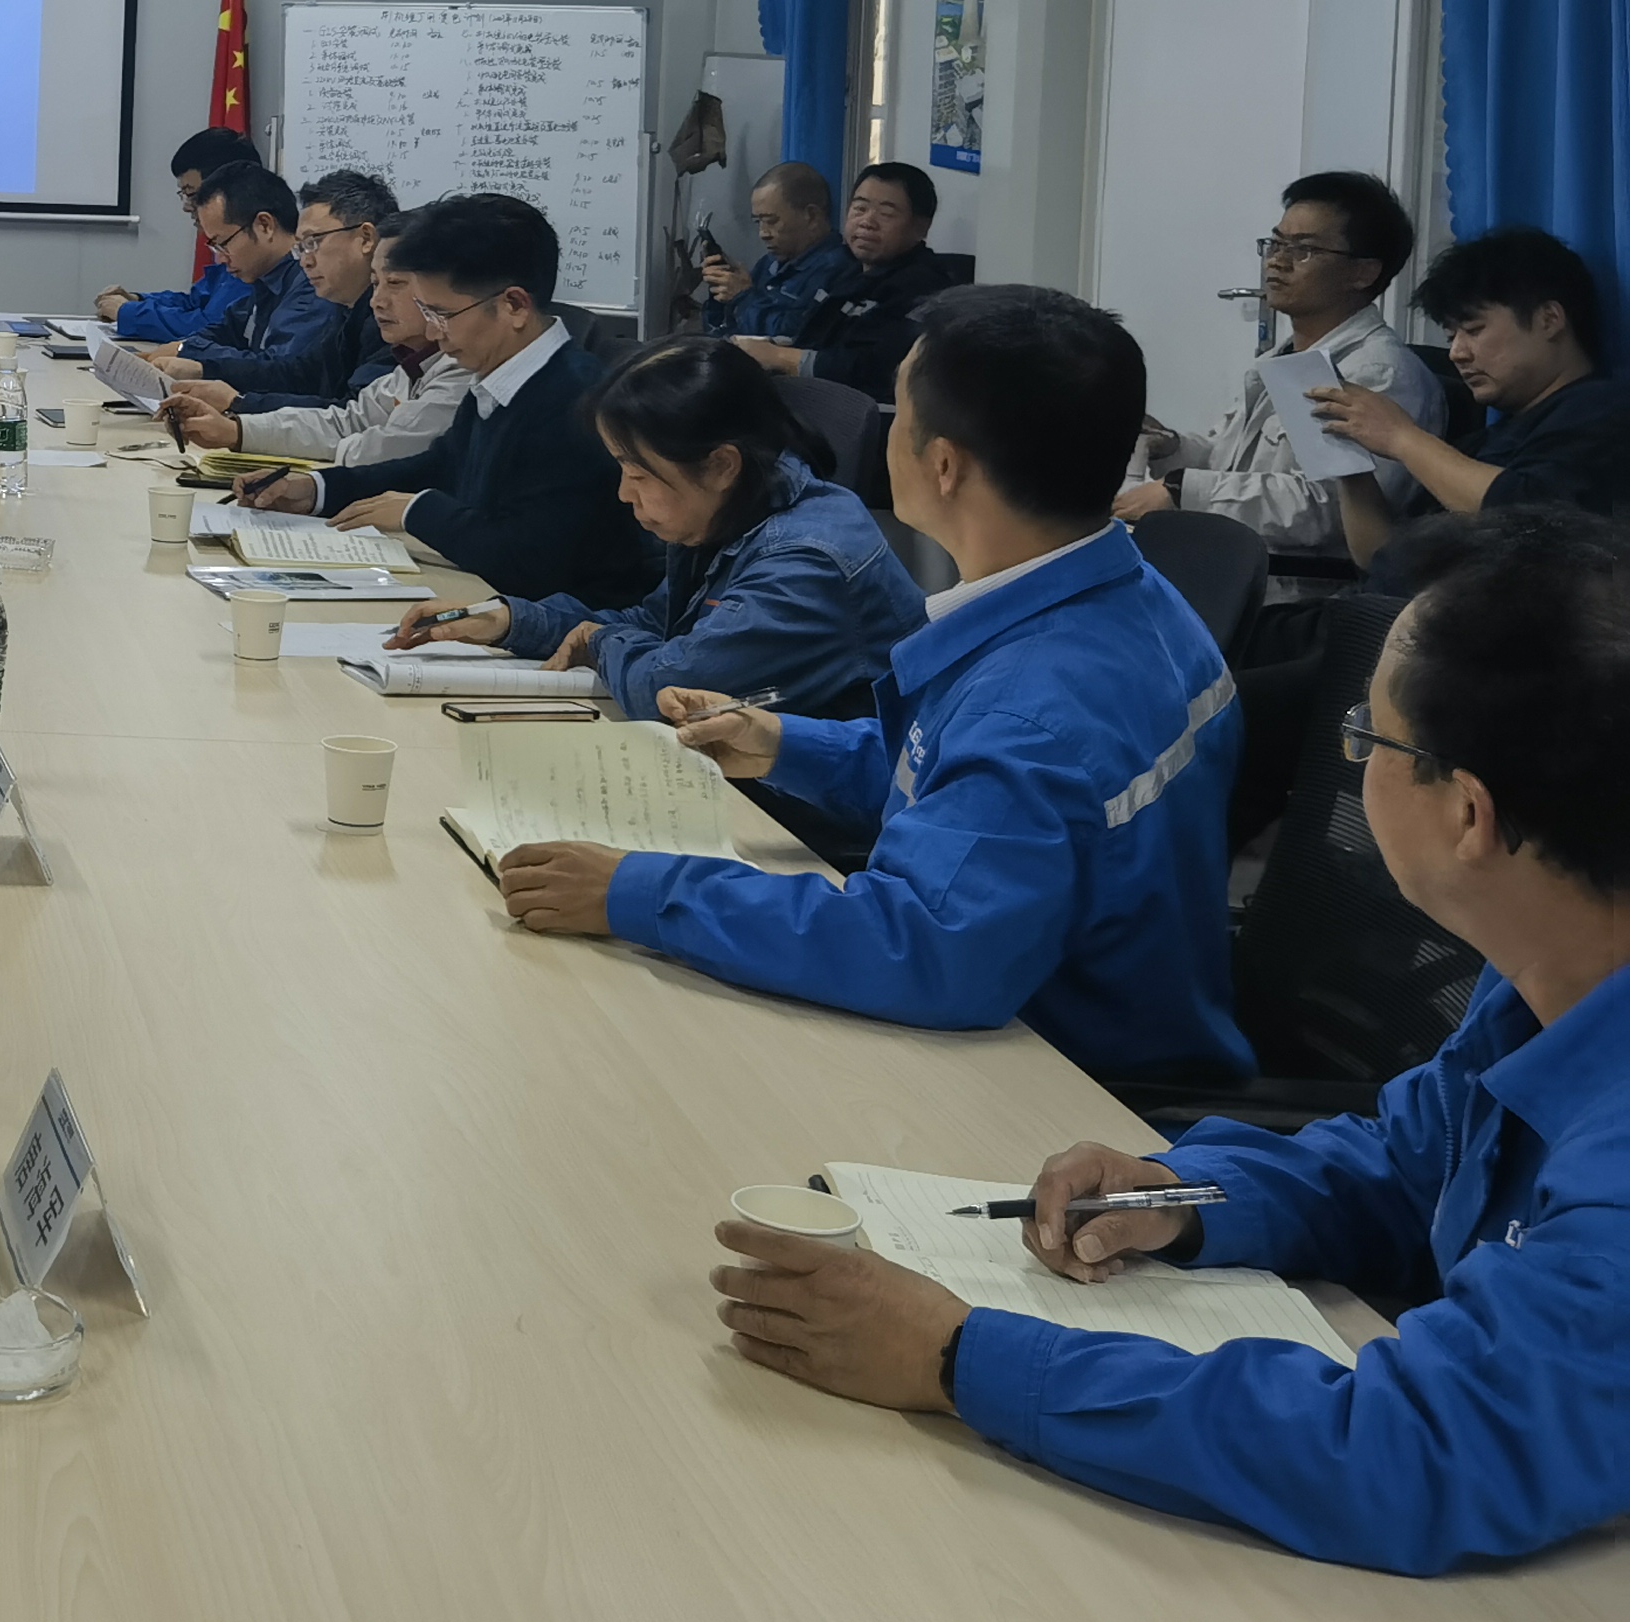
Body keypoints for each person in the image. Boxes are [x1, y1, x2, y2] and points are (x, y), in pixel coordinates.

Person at [703, 511, 1630, 1575]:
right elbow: (1408, 1166)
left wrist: (957, 1357)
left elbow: (1418, 1452)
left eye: (1368, 742)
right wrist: (1186, 1199)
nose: (1352, 762)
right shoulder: (1551, 970)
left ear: (1468, 815)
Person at [498, 286, 1250, 1082]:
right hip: (1085, 1008)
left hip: (1059, 1077)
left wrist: (640, 891)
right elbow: (971, 795)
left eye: (899, 414)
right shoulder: (1130, 597)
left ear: (943, 465)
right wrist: (788, 746)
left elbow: (923, 944)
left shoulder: (1034, 706)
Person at [390, 337, 920, 723]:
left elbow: (673, 686)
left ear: (721, 464)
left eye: (639, 473)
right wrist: (511, 620)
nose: (625, 493)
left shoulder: (807, 562)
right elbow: (657, 624)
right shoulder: (731, 508)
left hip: (806, 823)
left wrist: (599, 641)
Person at [246, 193, 658, 605]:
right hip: (489, 598)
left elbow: (526, 558)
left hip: (559, 622)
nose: (433, 332)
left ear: (514, 305)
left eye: (442, 315)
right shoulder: (499, 379)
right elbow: (439, 464)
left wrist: (417, 511)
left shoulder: (574, 403)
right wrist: (317, 489)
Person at [1117, 171, 1440, 554]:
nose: (1277, 261)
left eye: (1304, 249)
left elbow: (1329, 510)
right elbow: (1226, 461)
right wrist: (1169, 448)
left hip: (1302, 582)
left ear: (1363, 272)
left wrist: (1181, 489)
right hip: (1238, 566)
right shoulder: (1284, 358)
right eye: (1275, 243)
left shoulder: (1375, 373)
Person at [1315, 225, 1630, 557]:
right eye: (1451, 337)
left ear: (1549, 319)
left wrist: (1400, 437)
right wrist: (1350, 464)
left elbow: (1530, 519)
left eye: (1474, 330)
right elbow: (1381, 557)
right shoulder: (1480, 444)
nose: (1457, 353)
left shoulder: (1606, 411)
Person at [169, 211, 474, 464]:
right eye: (375, 283)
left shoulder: (459, 369)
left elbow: (386, 450)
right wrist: (236, 428)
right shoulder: (409, 359)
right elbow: (347, 419)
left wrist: (318, 489)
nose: (377, 300)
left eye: (394, 283)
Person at [172, 167, 394, 407]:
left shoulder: (390, 318)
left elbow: (355, 416)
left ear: (366, 238)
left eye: (313, 242)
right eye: (301, 247)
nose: (305, 261)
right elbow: (299, 375)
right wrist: (203, 370)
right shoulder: (348, 311)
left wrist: (237, 403)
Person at [738, 161, 955, 404]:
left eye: (885, 213)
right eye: (860, 208)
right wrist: (768, 348)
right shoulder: (850, 272)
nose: (867, 222)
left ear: (921, 227)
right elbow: (812, 337)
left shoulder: (924, 287)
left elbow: (873, 370)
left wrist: (780, 357)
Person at [96, 126, 260, 343]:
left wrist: (128, 313)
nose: (186, 207)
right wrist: (137, 300)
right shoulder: (233, 245)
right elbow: (195, 302)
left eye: (191, 194)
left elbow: (209, 328)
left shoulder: (252, 253)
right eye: (183, 194)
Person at [693, 162, 846, 340]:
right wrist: (721, 290)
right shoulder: (768, 265)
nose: (763, 233)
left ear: (811, 216)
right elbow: (720, 331)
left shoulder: (839, 271)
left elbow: (793, 338)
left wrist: (743, 297)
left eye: (771, 221)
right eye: (758, 222)